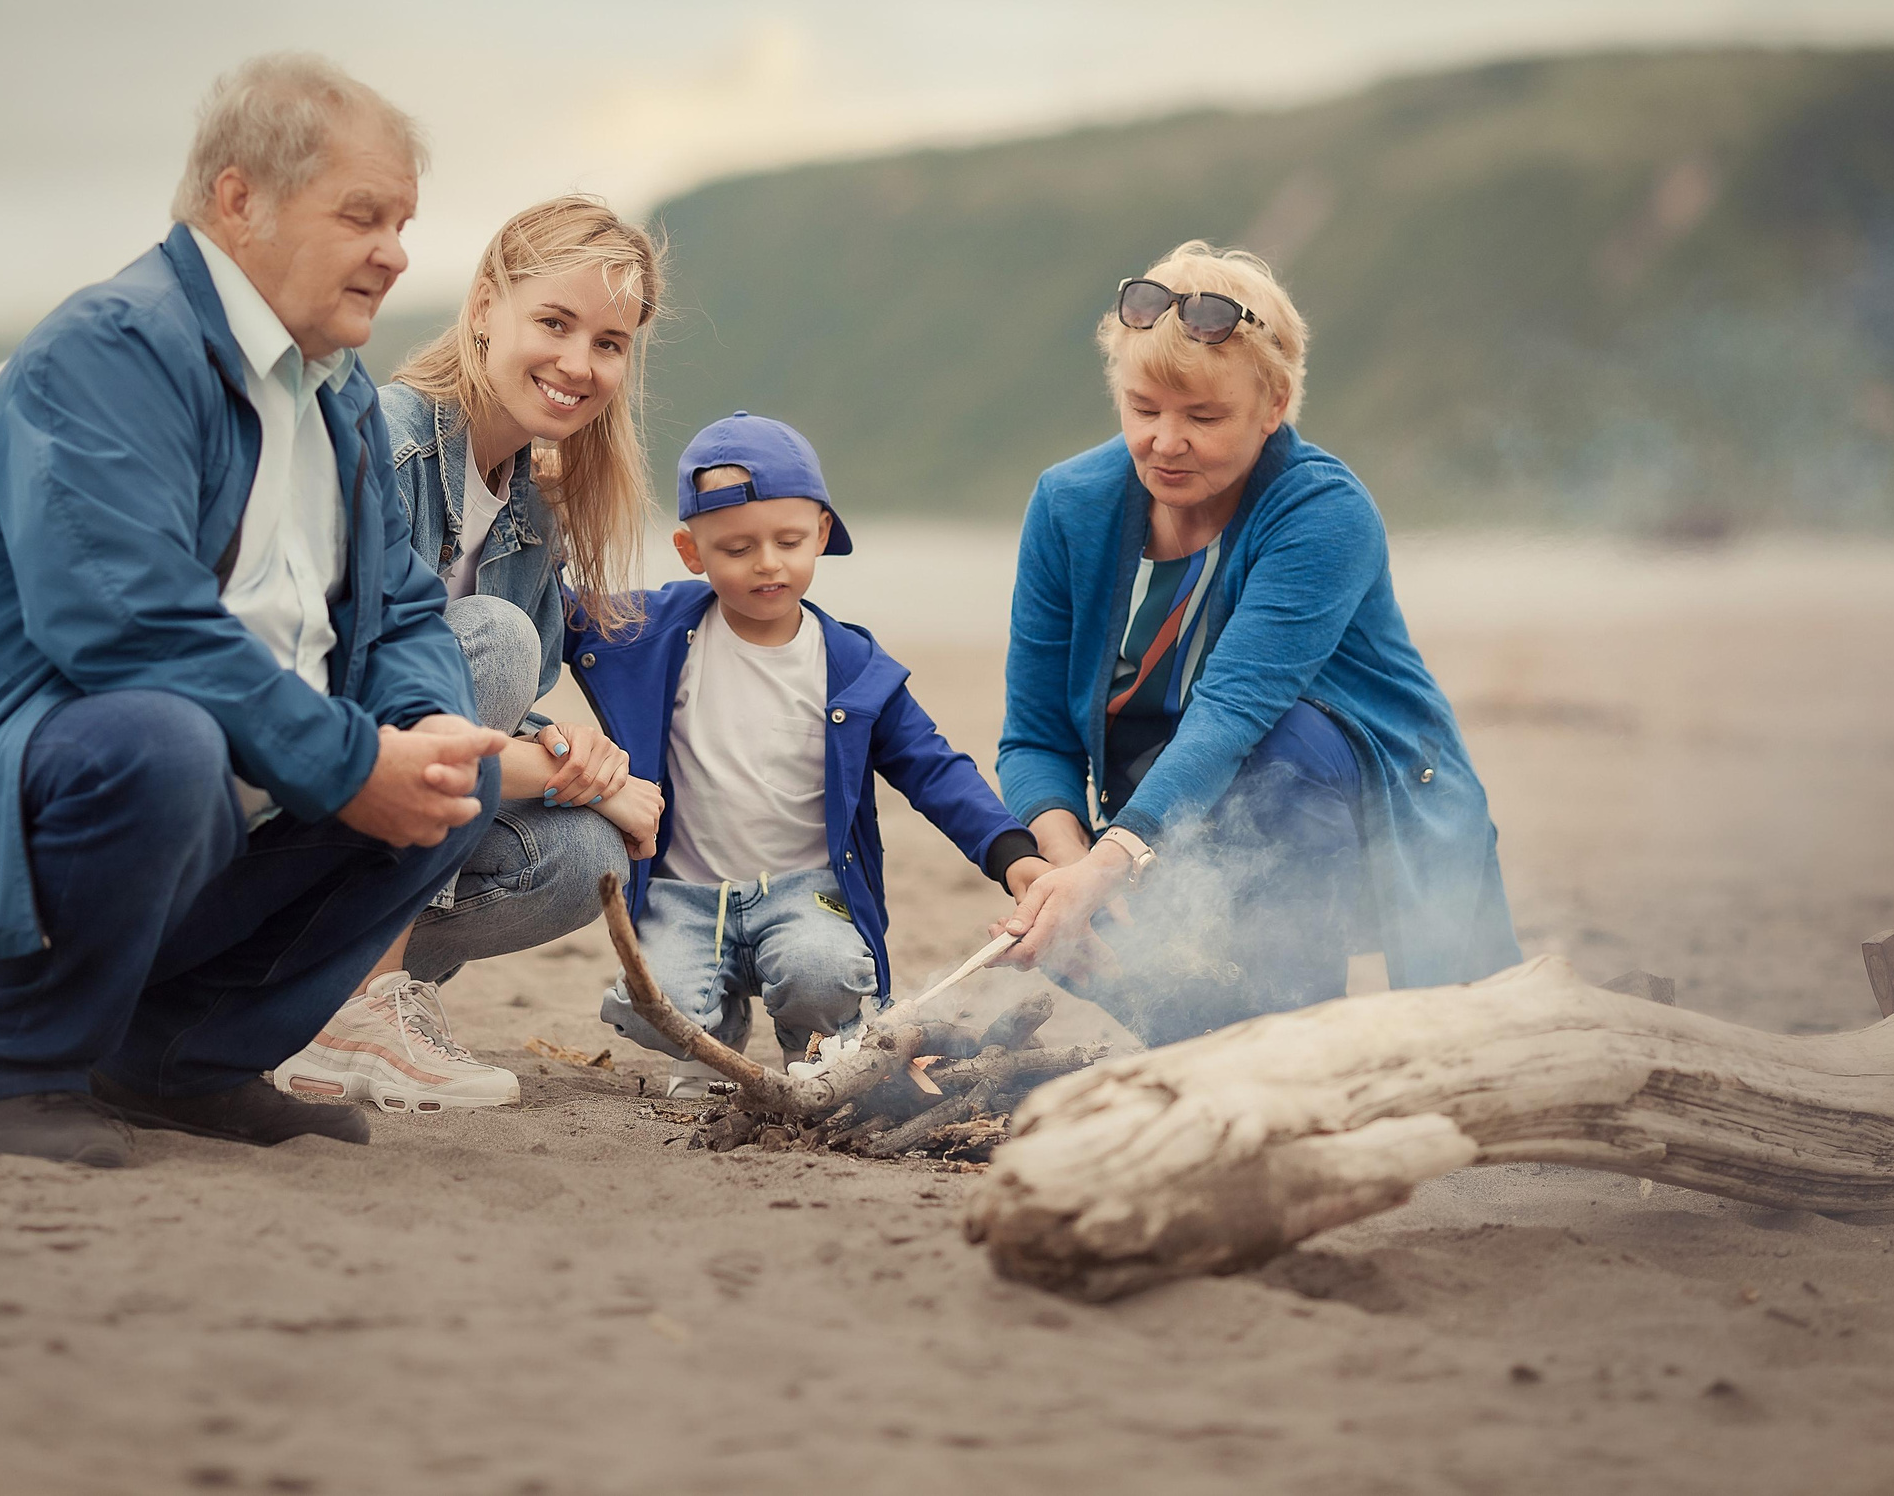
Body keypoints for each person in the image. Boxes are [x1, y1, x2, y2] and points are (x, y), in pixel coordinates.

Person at [0, 53, 507, 1168]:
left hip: (203, 821)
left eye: (404, 222)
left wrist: (419, 728)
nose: (395, 252)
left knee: (451, 772)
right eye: (362, 216)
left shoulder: (337, 401)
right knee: (163, 739)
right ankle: (11, 1065)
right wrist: (345, 763)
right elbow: (125, 621)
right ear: (240, 199)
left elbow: (408, 611)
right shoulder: (115, 347)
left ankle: (177, 1062)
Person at [993, 242, 1519, 1044]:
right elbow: (1034, 736)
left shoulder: (1322, 512)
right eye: (1143, 409)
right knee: (1078, 929)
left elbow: (1231, 714)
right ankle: (1223, 1035)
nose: (1166, 441)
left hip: (1363, 810)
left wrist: (1109, 864)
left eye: (1203, 416)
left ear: (1272, 405)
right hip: (1172, 825)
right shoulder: (1070, 505)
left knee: (1282, 746)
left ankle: (1290, 1036)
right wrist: (1068, 874)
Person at [272, 196, 663, 1112]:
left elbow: (484, 715)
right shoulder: (389, 437)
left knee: (583, 856)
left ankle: (306, 997)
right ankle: (357, 1011)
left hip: (366, 817)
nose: (579, 364)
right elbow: (357, 696)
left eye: (609, 342)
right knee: (493, 634)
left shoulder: (533, 512)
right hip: (281, 808)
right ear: (486, 307)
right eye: (555, 323)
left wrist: (564, 753)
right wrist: (582, 769)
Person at [571, 412, 1050, 1088]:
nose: (768, 563)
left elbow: (932, 767)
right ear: (690, 550)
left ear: (822, 531)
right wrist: (543, 501)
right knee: (657, 1006)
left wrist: (1012, 853)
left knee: (825, 977)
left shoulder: (851, 665)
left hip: (805, 894)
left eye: (789, 540)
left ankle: (812, 1044)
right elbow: (548, 602)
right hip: (683, 894)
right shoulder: (651, 630)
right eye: (736, 549)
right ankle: (718, 1030)